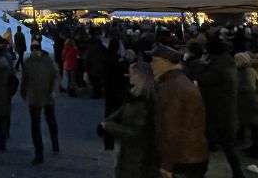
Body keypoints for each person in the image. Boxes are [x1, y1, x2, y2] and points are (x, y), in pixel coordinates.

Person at [150, 45, 209, 178]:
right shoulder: (177, 81)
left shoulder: (172, 87)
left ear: (165, 62)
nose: (151, 64)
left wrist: (167, 165)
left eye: (154, 60)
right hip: (192, 153)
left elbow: (171, 129)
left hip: (182, 158)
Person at [100, 61, 160, 178]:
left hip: (139, 157)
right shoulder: (133, 96)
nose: (129, 76)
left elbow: (138, 132)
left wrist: (110, 127)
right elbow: (119, 114)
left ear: (141, 76)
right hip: (130, 153)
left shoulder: (144, 102)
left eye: (132, 73)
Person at [198, 39, 244, 178]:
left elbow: (202, 80)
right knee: (229, 147)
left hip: (219, 113)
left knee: (222, 147)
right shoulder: (227, 63)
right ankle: (238, 174)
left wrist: (202, 66)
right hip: (227, 111)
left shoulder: (218, 69)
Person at [20, 40, 60, 165]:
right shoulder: (29, 62)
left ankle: (54, 142)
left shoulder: (47, 61)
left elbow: (55, 75)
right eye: (33, 48)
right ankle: (39, 153)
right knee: (36, 126)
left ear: (40, 49)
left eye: (36, 48)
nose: (35, 51)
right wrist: (23, 92)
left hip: (46, 96)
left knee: (50, 121)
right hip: (35, 97)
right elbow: (24, 79)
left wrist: (53, 90)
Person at [234, 52, 258, 159]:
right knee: (253, 127)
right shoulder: (247, 70)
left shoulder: (246, 71)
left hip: (251, 103)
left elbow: (249, 87)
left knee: (255, 126)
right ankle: (255, 147)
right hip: (249, 103)